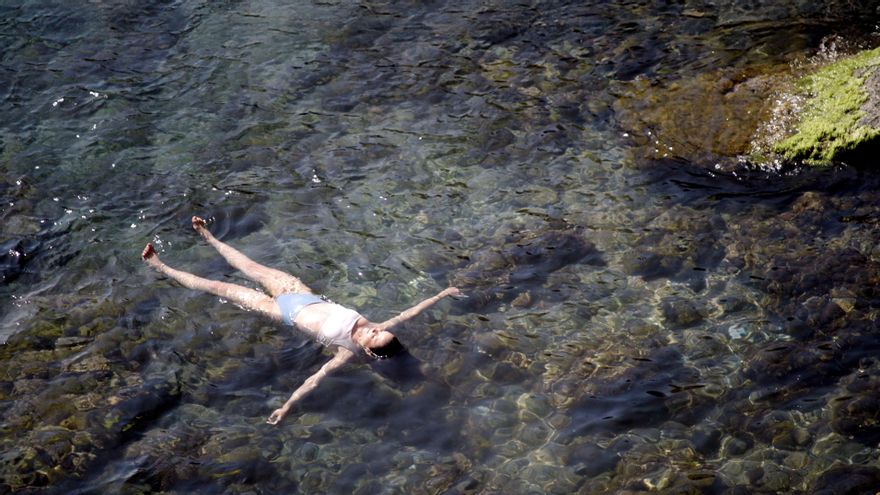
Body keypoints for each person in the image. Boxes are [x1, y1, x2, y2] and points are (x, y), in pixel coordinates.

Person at [142, 216, 463, 425]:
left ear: (367, 350)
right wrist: (442, 294)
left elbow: (315, 380)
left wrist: (287, 407)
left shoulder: (346, 352)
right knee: (249, 266)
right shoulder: (377, 329)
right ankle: (208, 237)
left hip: (280, 310)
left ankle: (161, 267)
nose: (375, 328)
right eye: (380, 329)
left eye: (374, 335)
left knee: (218, 287)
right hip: (298, 291)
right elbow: (411, 312)